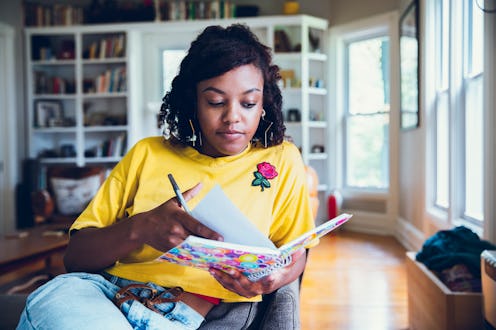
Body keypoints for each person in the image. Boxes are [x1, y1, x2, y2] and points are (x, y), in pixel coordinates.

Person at [17, 23, 315, 330]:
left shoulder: (281, 158)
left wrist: (276, 278)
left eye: (249, 103)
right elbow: (75, 257)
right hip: (104, 299)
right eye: (215, 102)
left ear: (263, 104)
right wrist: (141, 228)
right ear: (193, 103)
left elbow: (295, 250)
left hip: (193, 315)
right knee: (52, 296)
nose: (233, 117)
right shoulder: (147, 153)